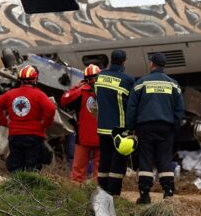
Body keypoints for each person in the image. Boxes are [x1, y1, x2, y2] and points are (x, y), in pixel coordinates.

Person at [125, 52, 185, 204]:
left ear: (152, 64)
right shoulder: (173, 84)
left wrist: (130, 127)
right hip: (166, 127)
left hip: (145, 127)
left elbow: (132, 107)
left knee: (145, 160)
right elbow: (179, 109)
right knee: (165, 159)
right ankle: (168, 194)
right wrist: (174, 126)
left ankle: (145, 195)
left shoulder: (141, 83)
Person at [0, 65, 56, 173]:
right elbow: (51, 108)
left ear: (20, 80)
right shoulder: (39, 95)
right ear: (35, 79)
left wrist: (5, 122)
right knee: (33, 166)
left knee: (16, 165)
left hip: (15, 136)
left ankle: (17, 187)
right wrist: (44, 124)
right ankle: (31, 188)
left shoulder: (10, 94)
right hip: (34, 136)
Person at [94, 49, 135, 196]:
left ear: (111, 59)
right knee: (118, 162)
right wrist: (132, 127)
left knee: (104, 160)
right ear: (124, 62)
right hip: (119, 129)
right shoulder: (127, 80)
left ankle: (102, 191)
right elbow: (131, 105)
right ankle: (113, 193)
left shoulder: (100, 77)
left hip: (102, 128)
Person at [60, 64, 101, 184]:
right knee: (100, 173)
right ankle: (98, 195)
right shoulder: (106, 91)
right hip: (101, 136)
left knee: (78, 172)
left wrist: (75, 87)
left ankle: (76, 196)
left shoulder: (80, 92)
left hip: (83, 137)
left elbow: (64, 100)